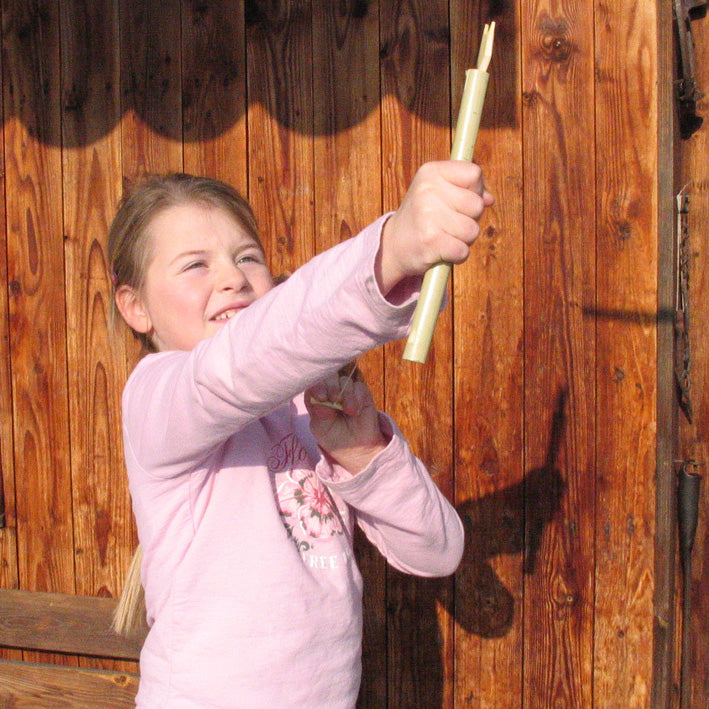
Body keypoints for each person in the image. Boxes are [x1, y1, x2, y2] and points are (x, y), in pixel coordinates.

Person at [109, 161, 493, 709]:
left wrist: (361, 452)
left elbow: (437, 550)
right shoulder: (157, 398)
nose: (233, 278)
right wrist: (390, 257)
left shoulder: (306, 411)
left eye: (248, 257)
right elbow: (236, 365)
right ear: (136, 307)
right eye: (195, 264)